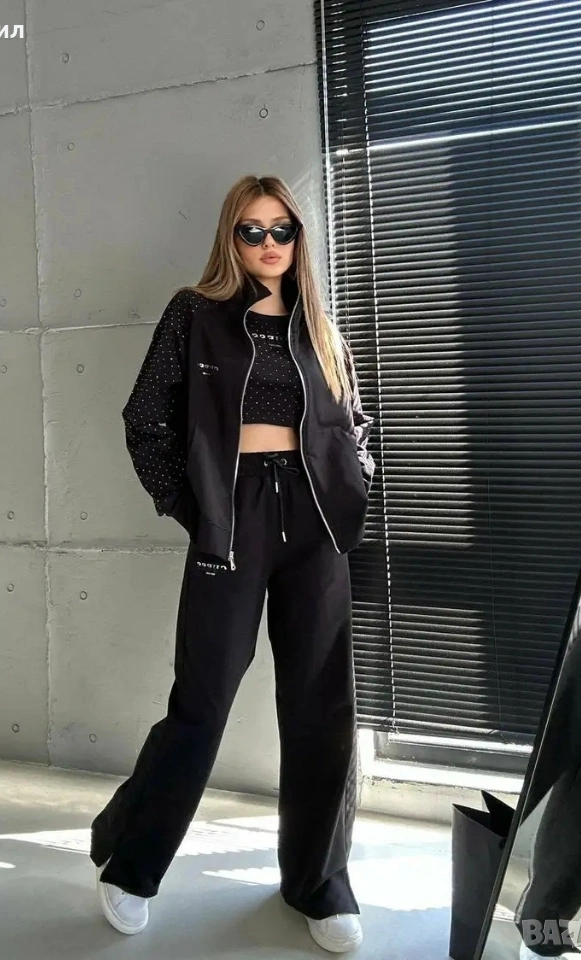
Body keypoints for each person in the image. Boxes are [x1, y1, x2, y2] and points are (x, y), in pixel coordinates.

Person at [89, 173, 376, 954]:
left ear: (298, 238)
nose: (269, 243)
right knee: (203, 699)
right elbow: (146, 420)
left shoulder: (319, 325)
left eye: (282, 229)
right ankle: (129, 860)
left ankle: (318, 882)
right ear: (232, 237)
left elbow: (354, 421)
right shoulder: (196, 314)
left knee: (322, 707)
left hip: (317, 521)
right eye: (253, 230)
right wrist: (200, 509)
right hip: (235, 514)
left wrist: (356, 482)